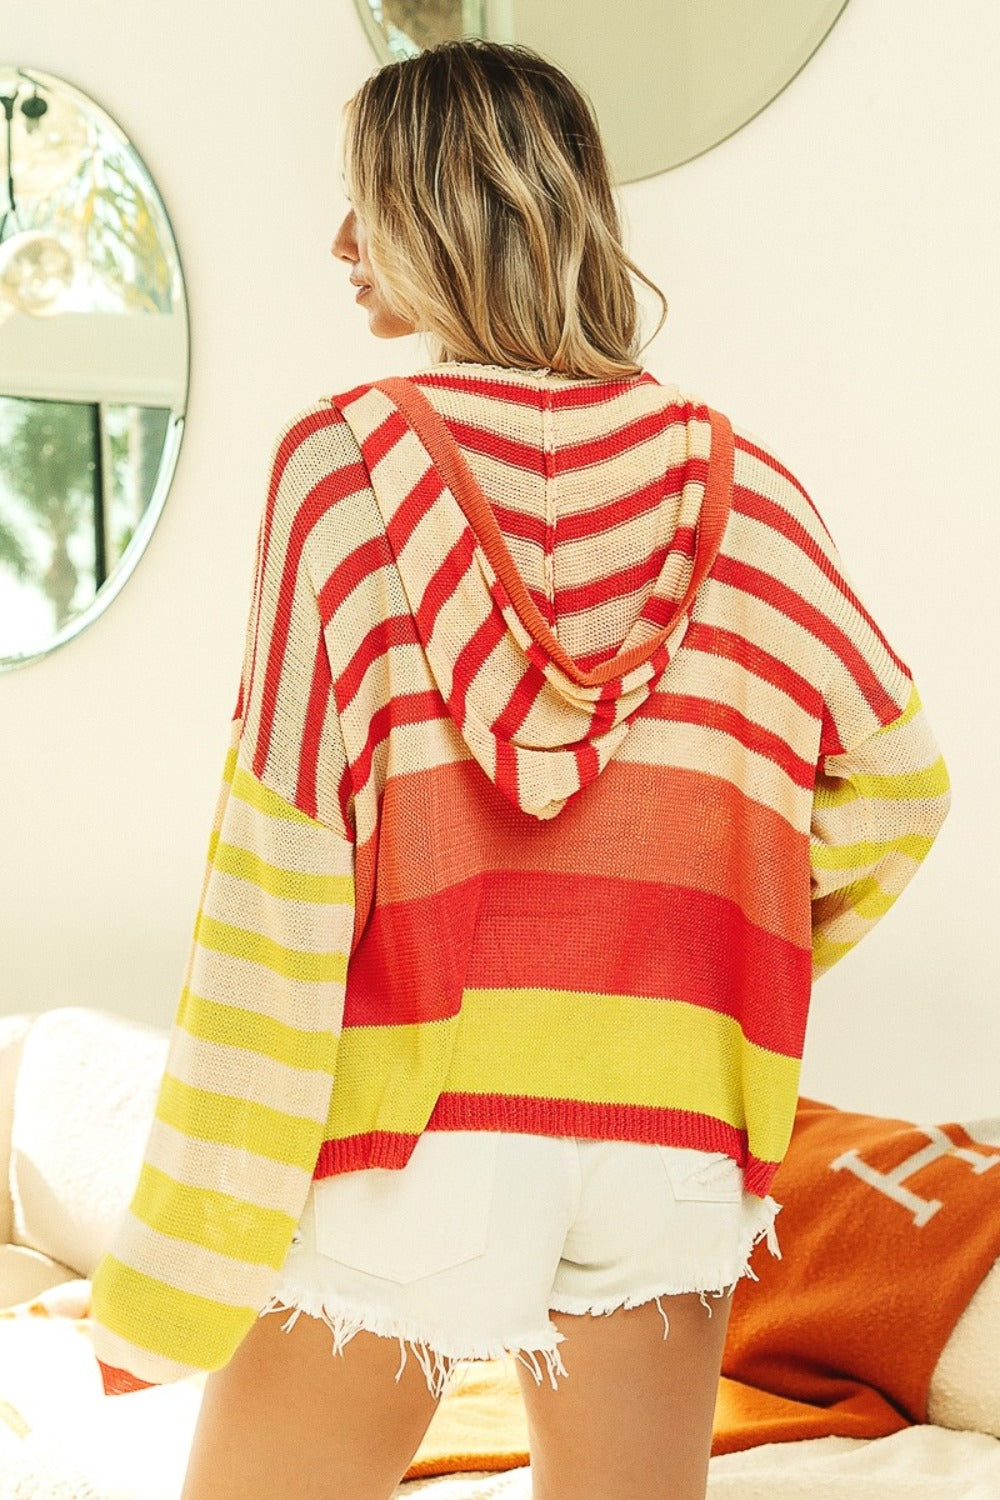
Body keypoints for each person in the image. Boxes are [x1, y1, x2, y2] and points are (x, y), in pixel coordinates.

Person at [87, 37, 950, 1500]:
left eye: (367, 203)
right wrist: (736, 950)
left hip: (418, 1123)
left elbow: (283, 865)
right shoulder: (746, 489)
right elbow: (900, 783)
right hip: (672, 1135)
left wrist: (201, 1217)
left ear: (442, 213)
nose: (341, 244)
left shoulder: (343, 473)